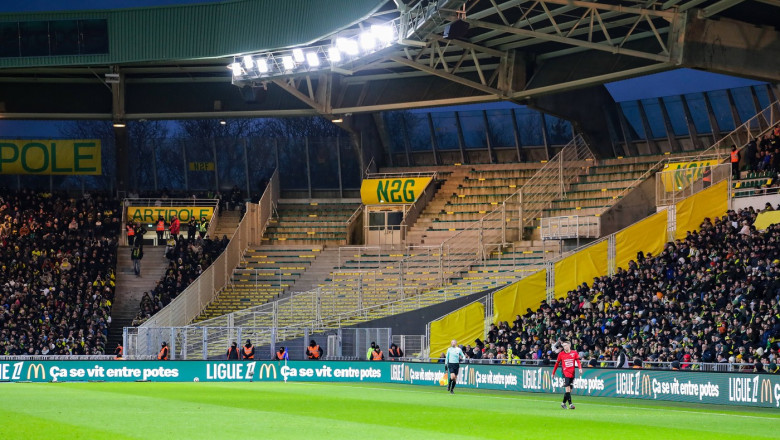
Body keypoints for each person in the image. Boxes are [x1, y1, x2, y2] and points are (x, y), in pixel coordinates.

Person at [552, 341, 582, 409]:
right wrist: (553, 373)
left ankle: (563, 403)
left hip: (572, 373)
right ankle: (571, 404)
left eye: (565, 345)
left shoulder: (574, 353)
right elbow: (556, 364)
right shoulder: (561, 354)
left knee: (569, 390)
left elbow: (578, 361)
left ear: (569, 346)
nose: (564, 347)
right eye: (563, 346)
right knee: (567, 388)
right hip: (565, 373)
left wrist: (580, 368)